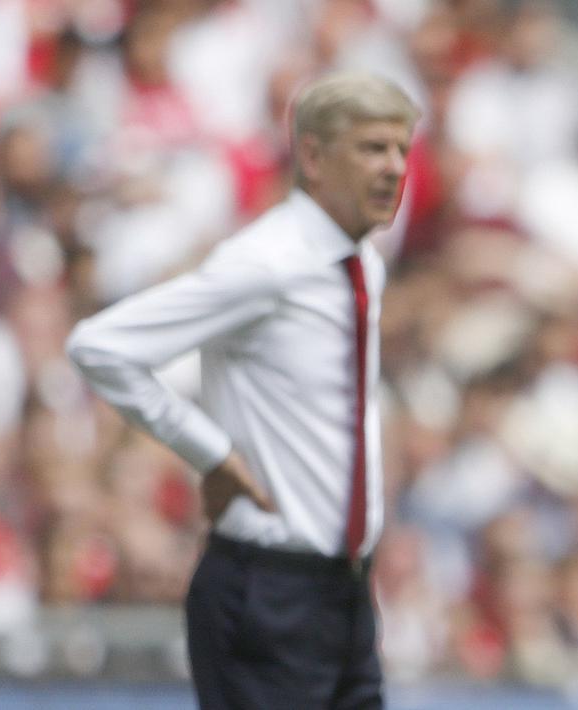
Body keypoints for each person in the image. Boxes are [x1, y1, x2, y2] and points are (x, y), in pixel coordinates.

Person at [66, 72, 418, 709]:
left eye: (401, 150)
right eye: (372, 148)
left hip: (343, 593)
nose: (394, 168)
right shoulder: (267, 261)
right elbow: (102, 347)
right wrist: (212, 452)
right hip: (267, 591)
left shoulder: (360, 261)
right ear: (312, 156)